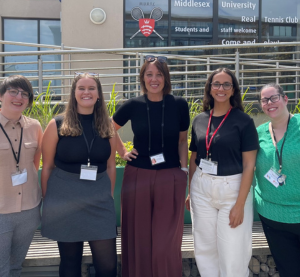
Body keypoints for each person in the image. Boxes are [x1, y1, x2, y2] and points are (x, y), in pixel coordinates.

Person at [112, 55, 190, 277]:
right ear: (142, 77)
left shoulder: (179, 105)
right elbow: (108, 128)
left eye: (159, 74)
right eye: (149, 74)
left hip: (171, 175)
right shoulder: (133, 105)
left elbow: (182, 141)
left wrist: (183, 171)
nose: (154, 79)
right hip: (138, 175)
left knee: (167, 240)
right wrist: (123, 152)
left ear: (166, 78)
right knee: (139, 237)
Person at [41, 73, 117, 277]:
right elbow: (47, 166)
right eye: (81, 88)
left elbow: (110, 165)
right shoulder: (57, 124)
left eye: (91, 88)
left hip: (99, 200)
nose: (86, 92)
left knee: (108, 266)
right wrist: (49, 200)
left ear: (99, 94)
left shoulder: (107, 125)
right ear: (74, 93)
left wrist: (108, 195)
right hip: (64, 199)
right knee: (70, 263)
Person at [186, 68, 258, 277]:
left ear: (233, 89)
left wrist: (240, 204)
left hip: (233, 189)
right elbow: (194, 157)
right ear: (209, 88)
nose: (221, 88)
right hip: (201, 186)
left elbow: (249, 165)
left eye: (227, 84)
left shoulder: (244, 121)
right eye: (216, 84)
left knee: (233, 250)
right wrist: (191, 190)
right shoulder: (200, 119)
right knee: (205, 248)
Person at [255, 83, 300, 277]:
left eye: (274, 97)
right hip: (272, 216)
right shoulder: (259, 133)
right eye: (264, 100)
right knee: (288, 271)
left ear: (285, 99)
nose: (269, 103)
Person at [0, 75, 43, 277]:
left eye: (25, 93)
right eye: (13, 91)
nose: (19, 97)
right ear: (1, 96)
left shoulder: (34, 126)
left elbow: (35, 162)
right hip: (1, 212)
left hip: (29, 210)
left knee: (16, 267)